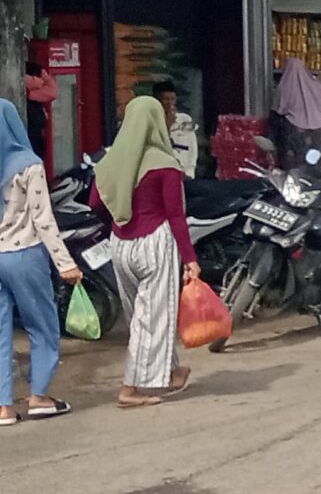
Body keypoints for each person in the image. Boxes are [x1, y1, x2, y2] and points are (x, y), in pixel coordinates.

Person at [92, 95, 199, 409]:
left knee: (143, 315)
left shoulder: (110, 160)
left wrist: (120, 220)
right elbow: (176, 216)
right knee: (152, 316)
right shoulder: (164, 164)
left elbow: (96, 203)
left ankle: (172, 371)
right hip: (155, 243)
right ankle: (130, 388)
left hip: (120, 243)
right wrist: (190, 258)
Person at [0, 99, 78, 425]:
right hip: (25, 254)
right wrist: (65, 263)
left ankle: (3, 407)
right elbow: (43, 219)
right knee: (42, 326)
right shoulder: (28, 164)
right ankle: (39, 396)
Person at [272, 56, 321, 164]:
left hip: (296, 131)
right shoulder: (317, 86)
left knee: (295, 167)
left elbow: (279, 109)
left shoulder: (284, 87)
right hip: (319, 131)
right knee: (318, 166)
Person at [151, 81, 200, 178]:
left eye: (172, 99)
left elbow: (192, 147)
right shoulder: (151, 122)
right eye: (165, 99)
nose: (169, 103)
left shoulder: (184, 120)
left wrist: (190, 172)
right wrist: (167, 126)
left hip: (185, 173)